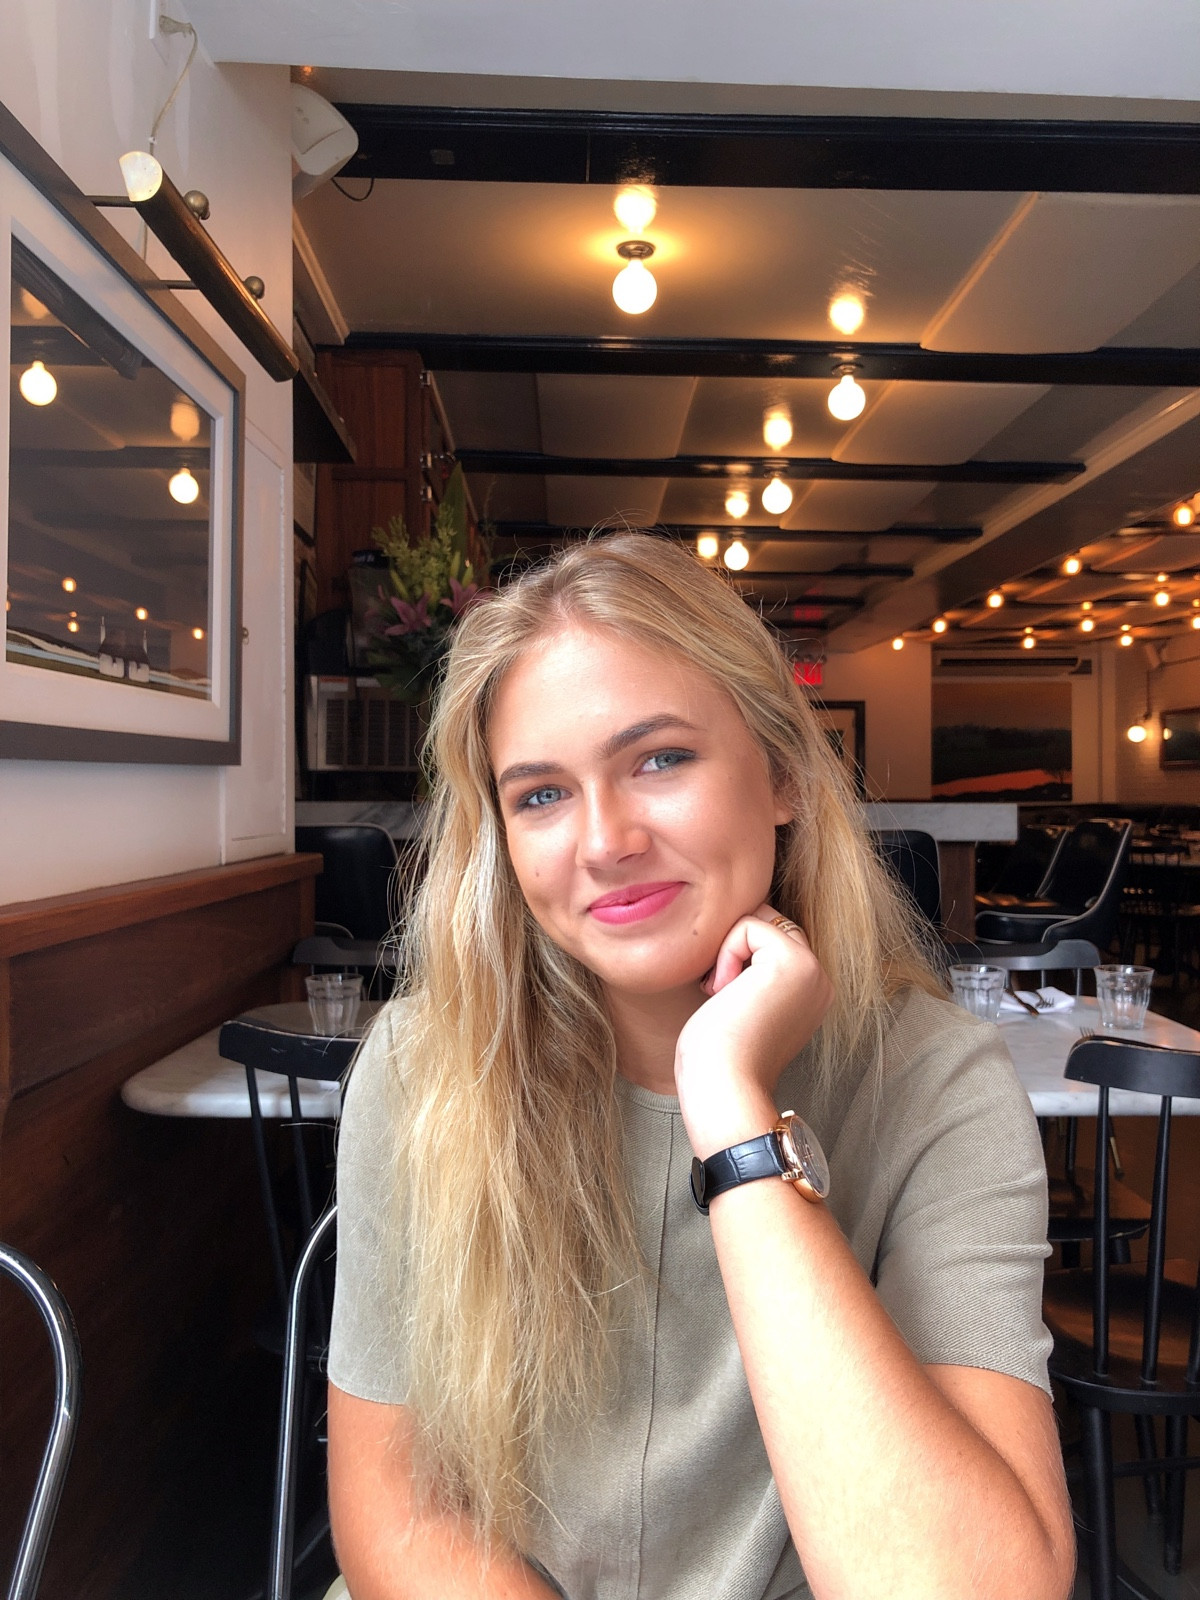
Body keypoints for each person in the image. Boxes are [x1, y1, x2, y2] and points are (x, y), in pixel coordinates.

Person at [326, 531, 1075, 1600]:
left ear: (782, 773)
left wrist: (730, 1108)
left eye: (659, 759)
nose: (604, 840)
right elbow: (395, 1512)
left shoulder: (937, 1082)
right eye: (540, 795)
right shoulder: (421, 1069)